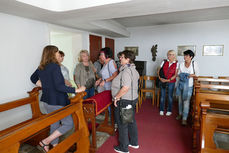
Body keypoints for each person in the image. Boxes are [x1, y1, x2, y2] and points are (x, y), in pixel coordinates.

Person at [30, 45, 86, 152]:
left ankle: (55, 149)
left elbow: (33, 78)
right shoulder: (54, 66)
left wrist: (44, 85)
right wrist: (77, 90)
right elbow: (59, 87)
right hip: (57, 101)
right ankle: (45, 142)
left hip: (47, 101)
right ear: (52, 53)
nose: (58, 53)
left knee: (54, 125)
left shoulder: (42, 66)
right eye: (57, 52)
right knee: (69, 124)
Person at [112, 50, 139, 153]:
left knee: (123, 124)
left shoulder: (127, 71)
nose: (120, 59)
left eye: (122, 57)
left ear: (128, 59)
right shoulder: (133, 69)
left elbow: (126, 87)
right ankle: (134, 142)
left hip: (125, 100)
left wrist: (116, 97)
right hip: (131, 99)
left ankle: (124, 148)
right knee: (130, 122)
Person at [176, 50, 199, 125]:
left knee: (186, 101)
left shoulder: (194, 63)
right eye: (184, 55)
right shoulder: (182, 64)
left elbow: (197, 74)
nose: (184, 57)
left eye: (186, 55)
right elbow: (179, 73)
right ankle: (180, 114)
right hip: (181, 84)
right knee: (180, 100)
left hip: (189, 86)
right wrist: (181, 74)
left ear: (191, 57)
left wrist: (189, 75)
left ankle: (184, 118)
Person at [158, 50, 178, 116]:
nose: (169, 56)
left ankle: (169, 110)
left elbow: (175, 75)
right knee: (162, 96)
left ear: (174, 55)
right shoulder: (164, 61)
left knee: (170, 96)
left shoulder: (177, 63)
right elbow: (158, 70)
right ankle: (161, 109)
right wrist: (160, 78)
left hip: (171, 82)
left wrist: (167, 80)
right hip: (162, 80)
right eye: (168, 54)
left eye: (170, 54)